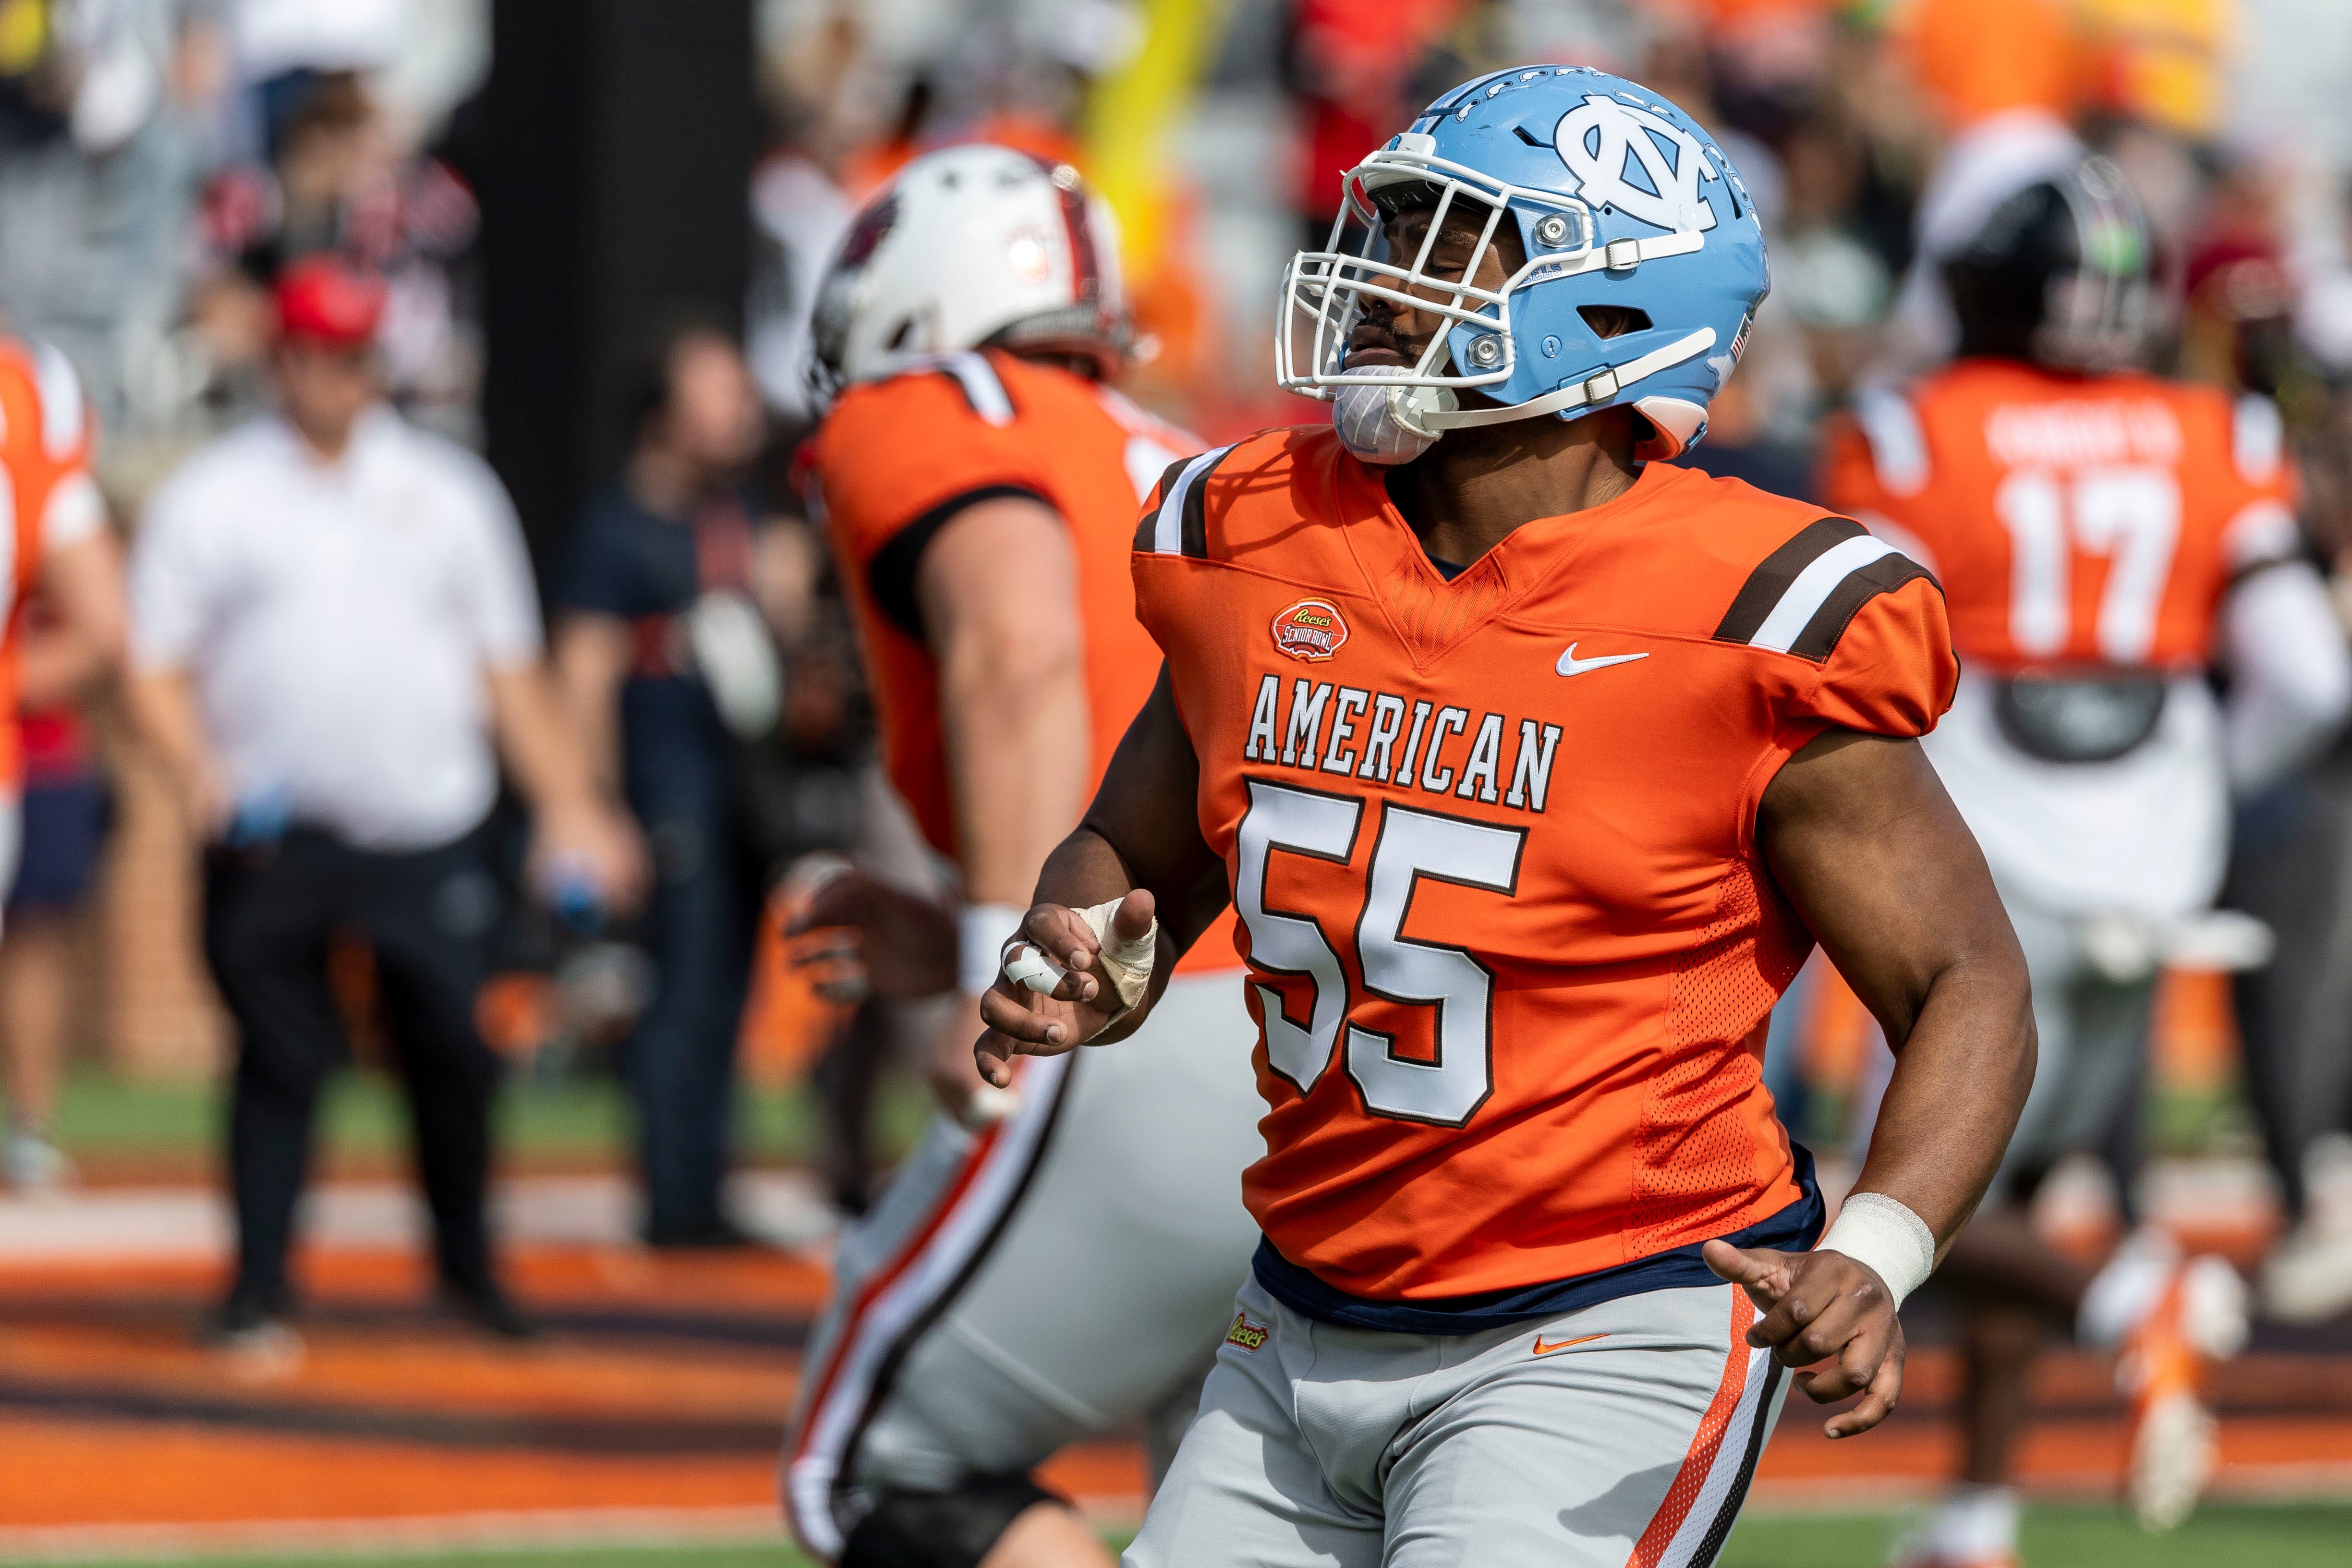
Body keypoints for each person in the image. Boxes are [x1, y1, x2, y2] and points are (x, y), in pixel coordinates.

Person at [978, 66, 2036, 1568]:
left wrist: (1877, 1248)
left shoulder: (1747, 617)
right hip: (1298, 1311)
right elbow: (1138, 850)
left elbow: (1965, 979)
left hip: (1611, 1315)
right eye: (1388, 225)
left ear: (1613, 312)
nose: (1381, 281)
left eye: (1447, 238)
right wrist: (1080, 945)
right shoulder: (1257, 533)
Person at [1822, 158, 2352, 1563]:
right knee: (2019, 1175)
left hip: (1984, 839)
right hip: (2158, 841)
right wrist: (2199, 808)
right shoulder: (2218, 431)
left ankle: (2129, 1301)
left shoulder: (1916, 426)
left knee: (1866, 1180)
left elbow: (1852, 662)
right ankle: (1977, 1514)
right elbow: (2305, 677)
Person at [777, 145, 1264, 1568]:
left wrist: (1002, 952)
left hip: (1142, 1028)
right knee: (1225, 1501)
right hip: (1323, 1040)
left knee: (874, 1471)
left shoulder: (938, 402)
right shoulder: (1190, 459)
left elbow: (1018, 640)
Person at [125, 257, 641, 1346]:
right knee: (280, 1054)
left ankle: (469, 1268)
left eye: (357, 356)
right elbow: (155, 661)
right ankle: (259, 1284)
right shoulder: (215, 493)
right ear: (282, 358)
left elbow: (509, 666)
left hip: (427, 824)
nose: (338, 377)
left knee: (453, 1048)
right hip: (275, 830)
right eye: (319, 353)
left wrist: (568, 807)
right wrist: (198, 770)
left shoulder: (448, 490)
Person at [551, 320, 777, 1248]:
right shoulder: (617, 530)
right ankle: (671, 1194)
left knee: (729, 990)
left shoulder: (746, 523)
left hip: (743, 793)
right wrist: (595, 808)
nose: (740, 410)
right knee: (677, 988)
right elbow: (583, 673)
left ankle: (709, 1179)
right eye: (715, 391)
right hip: (664, 783)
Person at [0, 334, 126, 1188]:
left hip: (33, 740)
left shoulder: (32, 402)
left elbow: (101, 629)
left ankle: (31, 1125)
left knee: (35, 932)